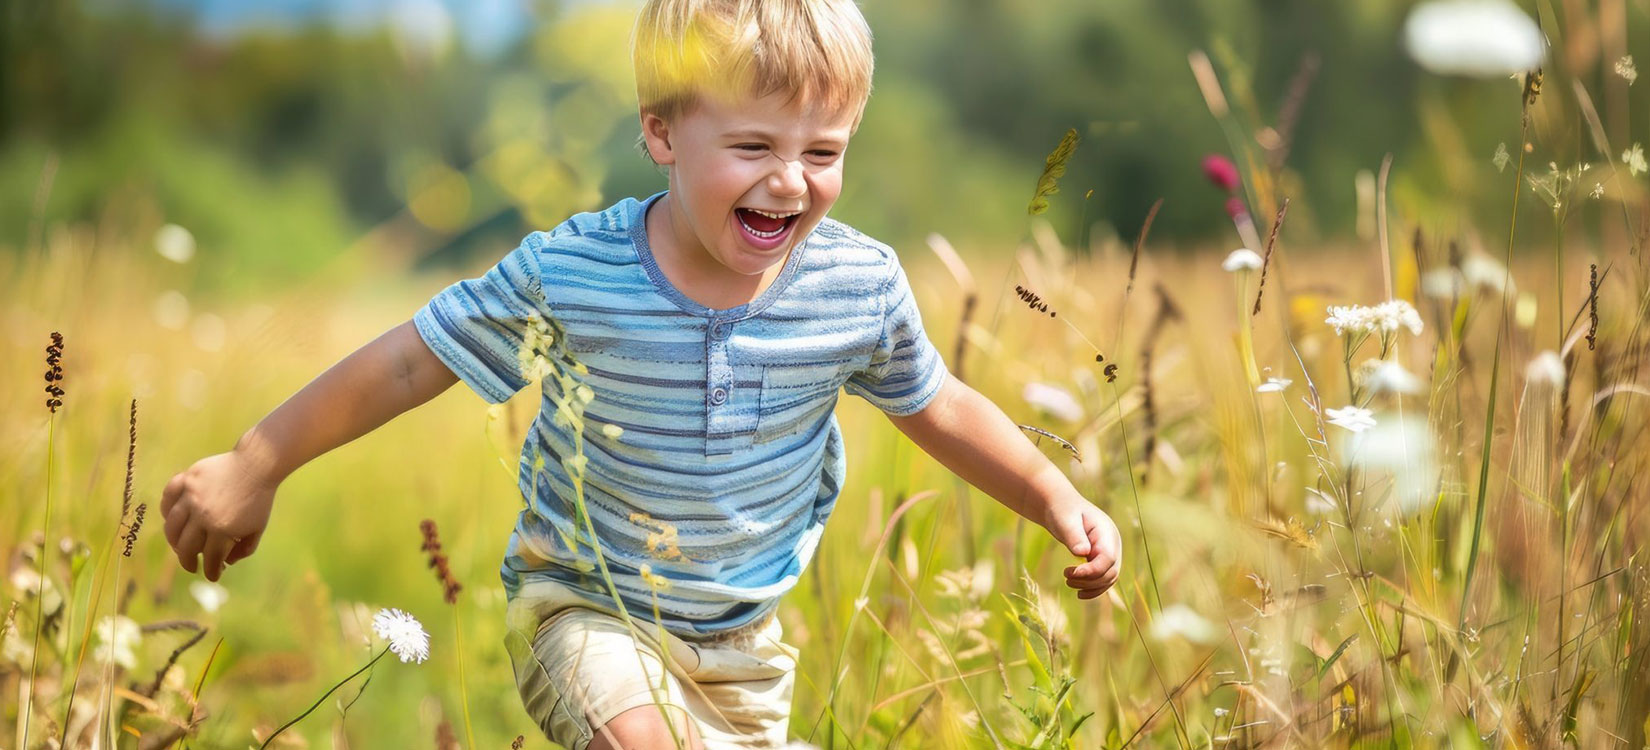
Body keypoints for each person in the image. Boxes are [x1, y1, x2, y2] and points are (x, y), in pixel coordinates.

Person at [159, 0, 1123, 747]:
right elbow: (415, 358)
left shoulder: (855, 286)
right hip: (582, 610)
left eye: (822, 152)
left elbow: (937, 401)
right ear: (662, 134)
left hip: (744, 652)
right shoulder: (575, 273)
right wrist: (258, 460)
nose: (790, 181)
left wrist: (1048, 492)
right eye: (753, 146)